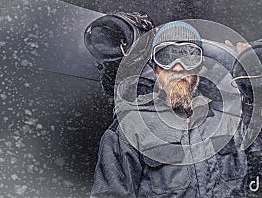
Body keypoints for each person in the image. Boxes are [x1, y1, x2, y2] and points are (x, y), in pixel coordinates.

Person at [90, 21, 249, 197]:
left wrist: (252, 71)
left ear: (199, 67)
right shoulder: (130, 129)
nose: (178, 67)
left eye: (188, 57)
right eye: (166, 57)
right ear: (155, 68)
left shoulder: (226, 122)